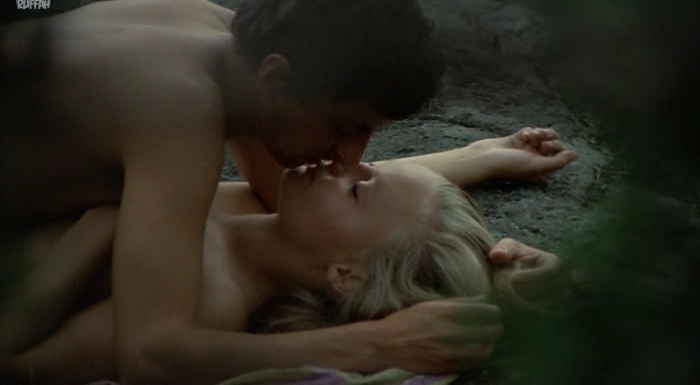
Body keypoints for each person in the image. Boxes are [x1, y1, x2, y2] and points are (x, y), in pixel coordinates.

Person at [0, 128, 577, 384]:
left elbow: (24, 369)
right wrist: (480, 156)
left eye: (357, 189)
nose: (347, 162)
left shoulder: (203, 298)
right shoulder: (259, 213)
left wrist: (100, 228)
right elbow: (382, 200)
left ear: (345, 274)